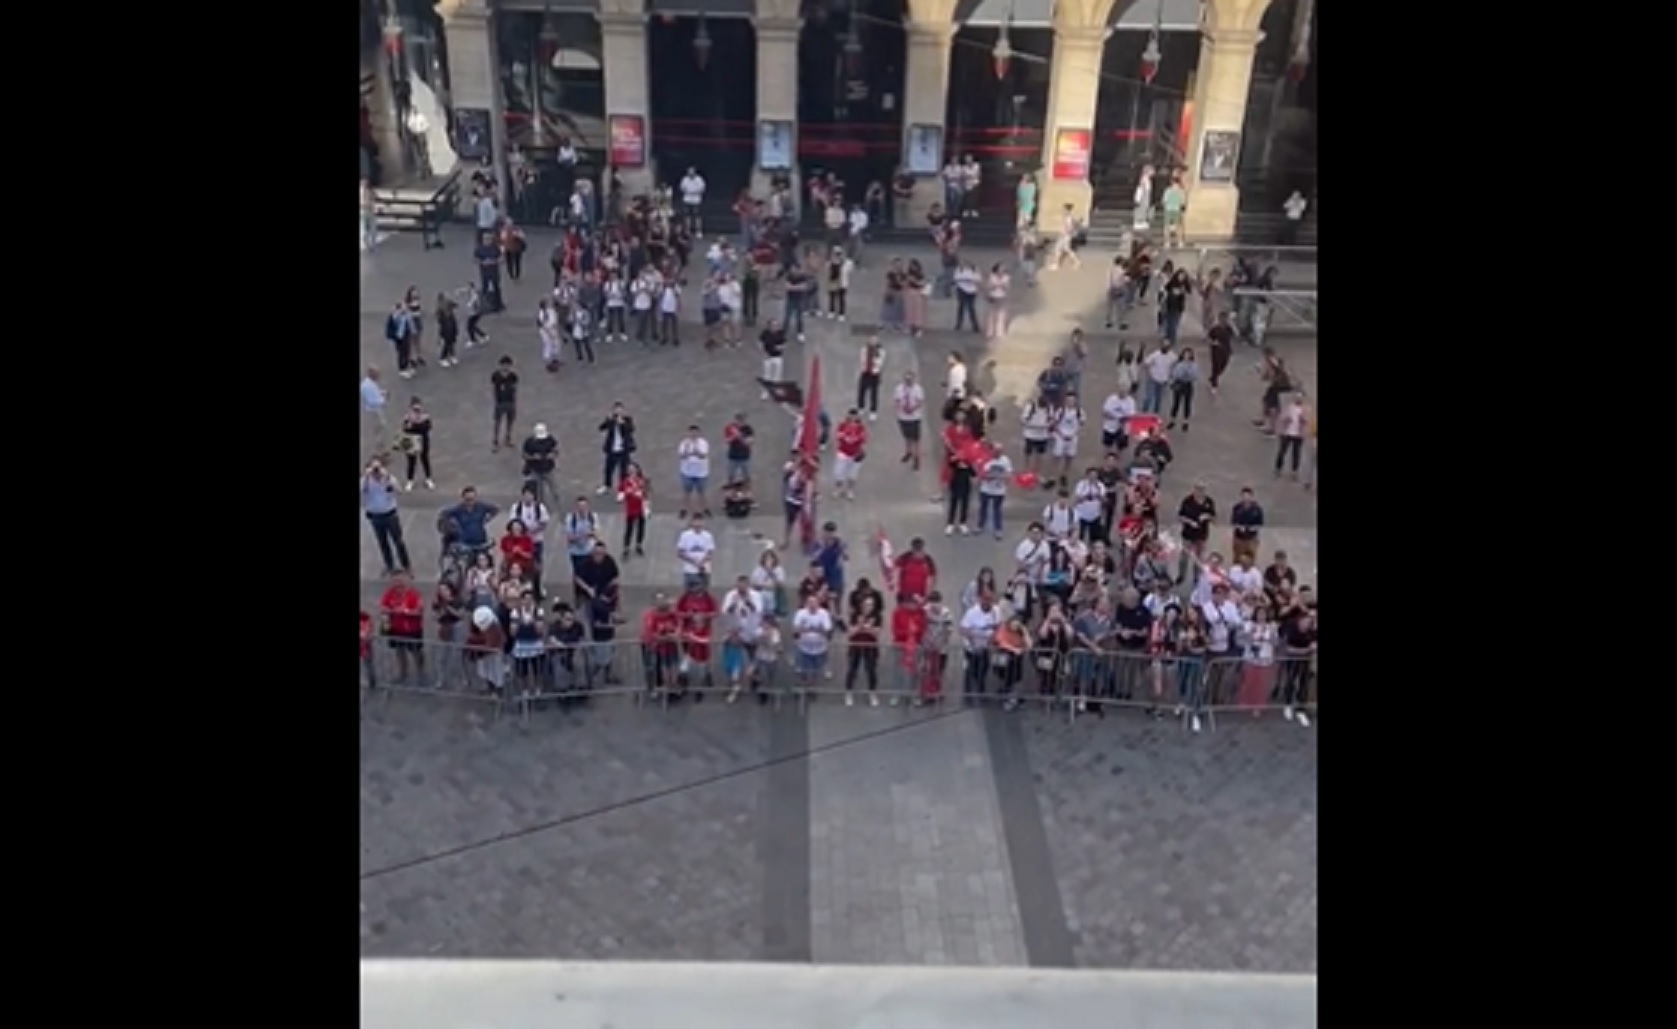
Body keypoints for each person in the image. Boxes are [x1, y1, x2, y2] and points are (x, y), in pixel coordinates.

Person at [361, 458, 411, 575]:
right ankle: (389, 565)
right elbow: (361, 490)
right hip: (375, 516)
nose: (376, 471)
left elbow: (399, 491)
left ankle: (406, 566)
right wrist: (367, 477)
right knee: (383, 542)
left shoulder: (389, 479)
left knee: (398, 542)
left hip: (390, 515)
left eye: (378, 468)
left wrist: (387, 477)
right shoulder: (366, 481)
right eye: (374, 468)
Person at [378, 570, 426, 685]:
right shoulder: (389, 593)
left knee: (416, 652)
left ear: (406, 580)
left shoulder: (413, 594)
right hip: (396, 629)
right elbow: (382, 606)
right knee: (400, 652)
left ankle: (421, 673)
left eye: (399, 580)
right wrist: (390, 610)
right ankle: (403, 673)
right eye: (394, 581)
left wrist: (406, 612)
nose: (397, 583)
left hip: (412, 630)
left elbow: (419, 611)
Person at [598, 402, 637, 494]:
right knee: (608, 469)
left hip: (624, 450)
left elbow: (631, 429)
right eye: (616, 409)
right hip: (612, 449)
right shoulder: (611, 420)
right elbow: (601, 428)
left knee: (623, 470)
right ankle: (607, 485)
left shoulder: (627, 420)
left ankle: (622, 490)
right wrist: (607, 421)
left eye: (620, 409)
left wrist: (622, 424)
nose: (618, 411)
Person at [677, 425, 712, 518]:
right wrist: (688, 450)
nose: (693, 434)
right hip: (687, 472)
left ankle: (704, 509)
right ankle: (684, 509)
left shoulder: (703, 443)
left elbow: (703, 455)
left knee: (701, 492)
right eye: (691, 432)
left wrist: (695, 450)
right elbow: (682, 456)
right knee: (686, 492)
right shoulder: (684, 443)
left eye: (695, 432)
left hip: (701, 473)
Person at [521, 423, 559, 505]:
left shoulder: (550, 439)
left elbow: (556, 450)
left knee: (555, 490)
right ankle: (541, 508)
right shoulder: (529, 442)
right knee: (539, 493)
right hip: (535, 470)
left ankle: (558, 507)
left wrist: (552, 455)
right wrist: (533, 457)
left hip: (548, 469)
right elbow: (524, 455)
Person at [676, 513, 716, 590]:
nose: (698, 524)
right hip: (690, 570)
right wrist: (694, 562)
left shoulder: (708, 536)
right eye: (695, 521)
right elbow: (680, 553)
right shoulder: (685, 535)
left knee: (703, 593)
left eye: (700, 521)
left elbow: (710, 553)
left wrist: (701, 563)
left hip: (704, 570)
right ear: (692, 522)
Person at [1167, 348, 1198, 432]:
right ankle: (1172, 420)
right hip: (1179, 383)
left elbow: (1195, 376)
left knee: (1187, 404)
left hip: (1188, 384)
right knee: (1176, 403)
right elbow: (1175, 373)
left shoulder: (1193, 364)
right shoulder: (1178, 363)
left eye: (1189, 354)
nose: (1187, 356)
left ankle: (1185, 422)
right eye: (1185, 354)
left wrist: (1188, 372)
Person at [490, 356, 518, 452]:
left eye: (508, 365)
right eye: (504, 365)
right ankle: (496, 441)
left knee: (510, 421)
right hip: (500, 402)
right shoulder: (496, 376)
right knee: (498, 422)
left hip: (510, 402)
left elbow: (514, 388)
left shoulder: (513, 376)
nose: (506, 367)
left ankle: (508, 438)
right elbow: (494, 388)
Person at [360, 365, 388, 455]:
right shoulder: (368, 386)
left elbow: (375, 392)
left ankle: (380, 447)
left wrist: (382, 392)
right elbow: (372, 401)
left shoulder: (369, 383)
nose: (379, 377)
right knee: (378, 429)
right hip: (373, 411)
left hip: (374, 410)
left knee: (380, 427)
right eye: (378, 374)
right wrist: (384, 399)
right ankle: (378, 449)